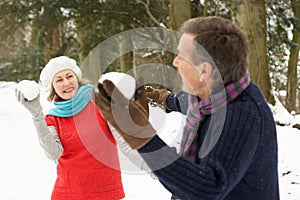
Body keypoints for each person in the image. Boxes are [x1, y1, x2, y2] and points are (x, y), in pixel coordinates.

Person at [93, 16, 279, 200]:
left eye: (181, 56)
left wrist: (143, 137)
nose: (175, 62)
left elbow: (209, 189)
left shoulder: (242, 114)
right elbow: (184, 102)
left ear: (204, 71)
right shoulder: (211, 96)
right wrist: (161, 98)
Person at [16, 56, 125, 200]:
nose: (66, 83)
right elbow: (53, 153)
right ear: (52, 88)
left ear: (77, 78)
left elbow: (126, 135)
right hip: (67, 193)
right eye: (59, 80)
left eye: (69, 76)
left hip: (105, 190)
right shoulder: (52, 119)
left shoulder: (100, 103)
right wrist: (37, 115)